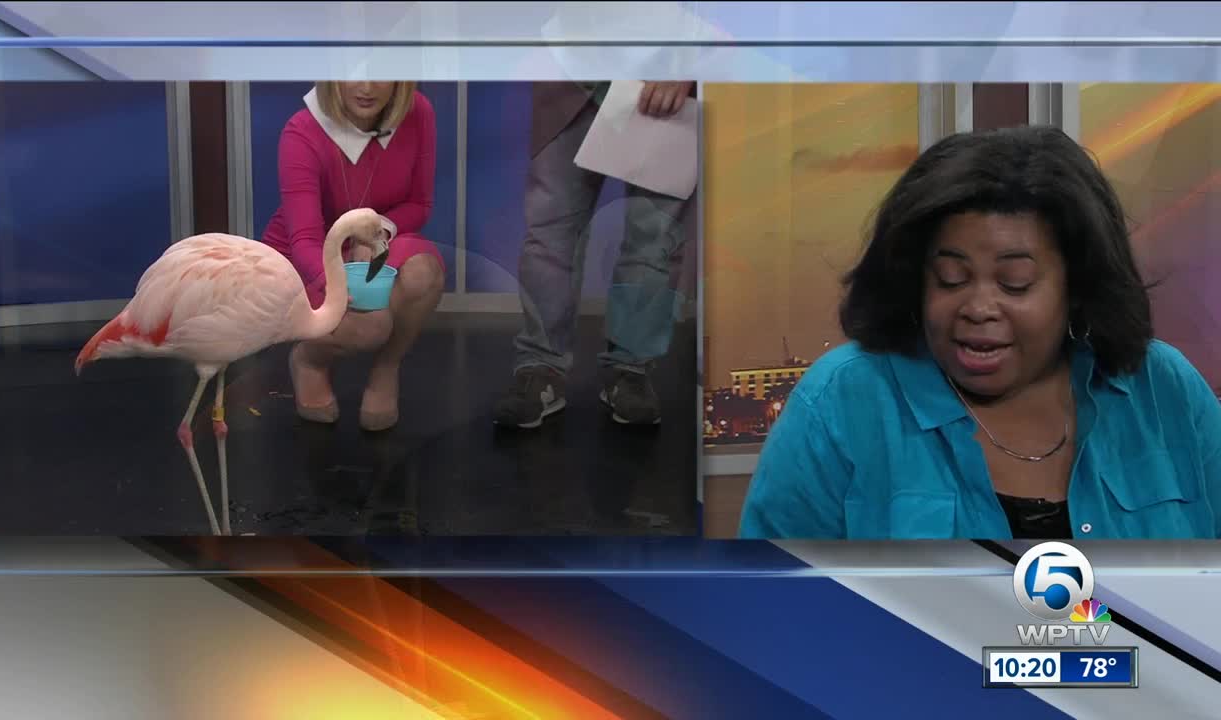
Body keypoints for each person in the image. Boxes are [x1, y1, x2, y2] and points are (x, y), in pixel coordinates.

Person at [738, 125, 1221, 540]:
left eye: (1015, 284)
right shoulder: (842, 402)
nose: (978, 308)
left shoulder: (1163, 390)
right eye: (951, 278)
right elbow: (764, 612)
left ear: (1076, 285)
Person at [492, 80, 697, 429]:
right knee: (548, 235)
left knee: (654, 239)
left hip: (660, 79)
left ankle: (630, 368)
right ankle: (539, 366)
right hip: (571, 79)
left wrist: (684, 65)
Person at [261, 81, 445, 432]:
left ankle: (386, 368)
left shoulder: (418, 112)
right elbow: (304, 239)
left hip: (373, 239)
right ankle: (309, 361)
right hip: (309, 255)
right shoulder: (302, 130)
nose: (366, 87)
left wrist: (376, 232)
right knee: (368, 324)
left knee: (424, 274)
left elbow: (419, 205)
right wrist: (336, 280)